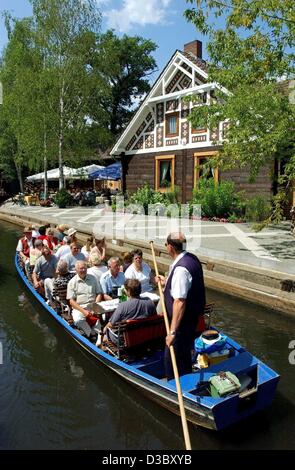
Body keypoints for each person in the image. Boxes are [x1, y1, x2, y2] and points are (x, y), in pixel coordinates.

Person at [156, 233, 206, 380]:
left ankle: (175, 386)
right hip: (191, 320)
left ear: (170, 247)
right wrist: (166, 282)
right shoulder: (192, 259)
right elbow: (185, 287)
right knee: (184, 354)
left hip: (181, 324)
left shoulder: (181, 269)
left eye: (166, 245)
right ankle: (187, 378)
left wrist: (172, 332)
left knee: (171, 358)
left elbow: (179, 302)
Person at [66, 260, 103, 338]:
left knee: (100, 322)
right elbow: (71, 301)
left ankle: (99, 335)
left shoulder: (93, 278)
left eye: (85, 268)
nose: (83, 270)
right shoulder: (72, 282)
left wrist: (95, 306)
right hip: (79, 308)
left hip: (93, 306)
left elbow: (99, 293)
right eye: (81, 268)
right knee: (78, 320)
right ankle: (91, 334)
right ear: (76, 270)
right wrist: (83, 311)